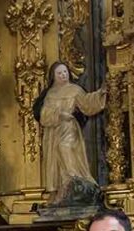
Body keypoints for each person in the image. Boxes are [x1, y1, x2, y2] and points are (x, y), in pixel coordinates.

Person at [33, 61, 106, 203]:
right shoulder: (49, 94)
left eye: (65, 72)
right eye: (59, 73)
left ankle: (74, 179)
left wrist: (100, 93)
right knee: (55, 156)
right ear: (53, 76)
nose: (63, 75)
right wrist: (58, 114)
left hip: (69, 127)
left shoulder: (75, 90)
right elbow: (43, 114)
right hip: (53, 131)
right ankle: (63, 187)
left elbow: (87, 103)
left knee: (64, 147)